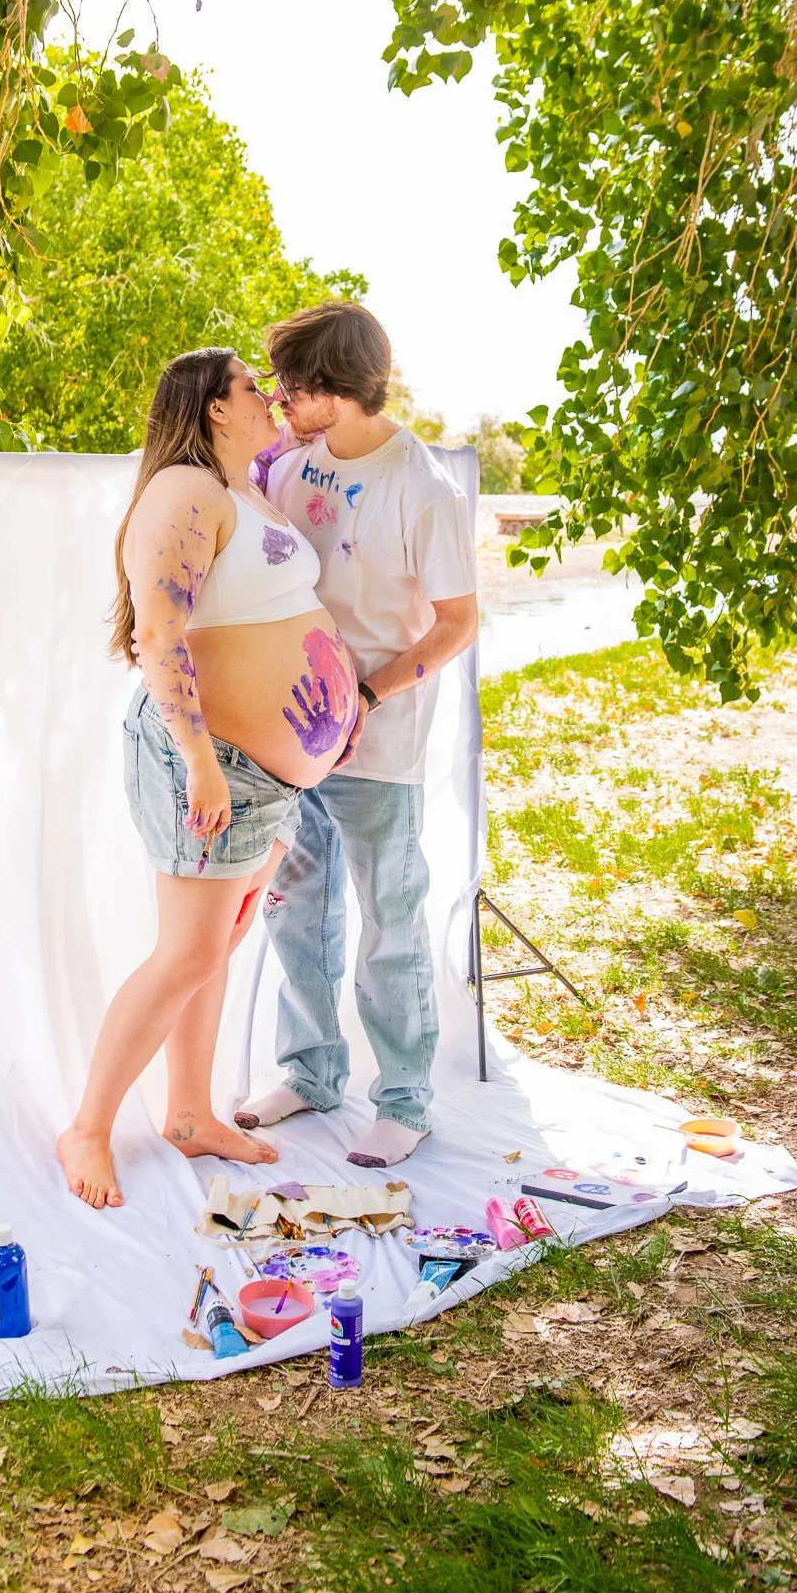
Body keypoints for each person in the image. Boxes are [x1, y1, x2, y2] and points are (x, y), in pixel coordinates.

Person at [57, 347, 358, 1210]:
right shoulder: (184, 490)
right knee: (187, 950)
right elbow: (159, 635)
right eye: (250, 388)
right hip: (208, 760)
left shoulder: (243, 491)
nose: (267, 397)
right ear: (214, 408)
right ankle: (88, 1127)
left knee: (216, 946)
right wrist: (196, 762)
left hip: (262, 775)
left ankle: (188, 1114)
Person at [235, 303, 478, 1167]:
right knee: (297, 910)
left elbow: (456, 624)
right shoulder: (288, 468)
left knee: (389, 923)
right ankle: (309, 1074)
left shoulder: (424, 489)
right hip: (288, 737)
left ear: (332, 389)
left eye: (290, 387)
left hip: (379, 741)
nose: (278, 400)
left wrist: (367, 695)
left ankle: (405, 1101)